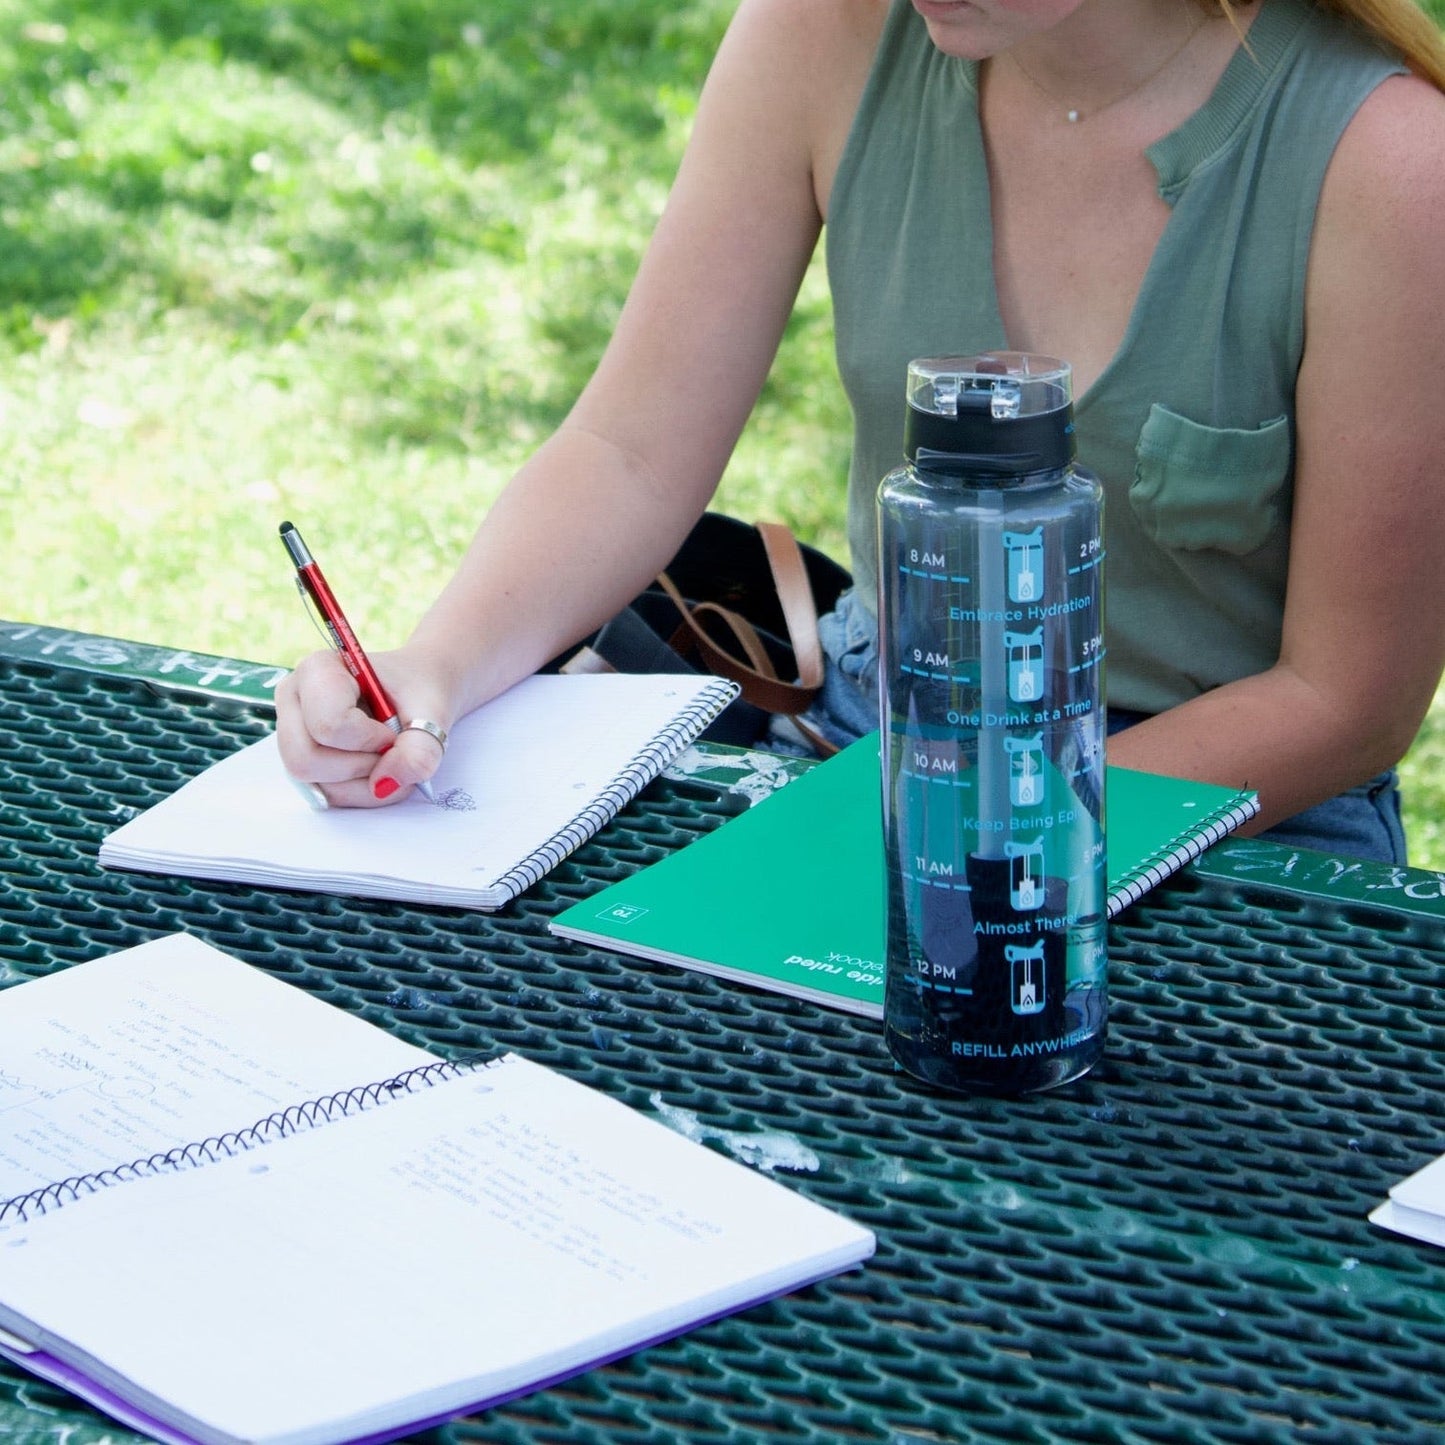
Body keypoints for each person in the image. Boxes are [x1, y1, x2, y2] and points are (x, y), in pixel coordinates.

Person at [276, 0, 1445, 864]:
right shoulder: (818, 35)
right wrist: (434, 672)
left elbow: (1341, 702)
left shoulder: (1392, 169)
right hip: (872, 746)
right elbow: (629, 450)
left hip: (1233, 817)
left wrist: (968, 836)